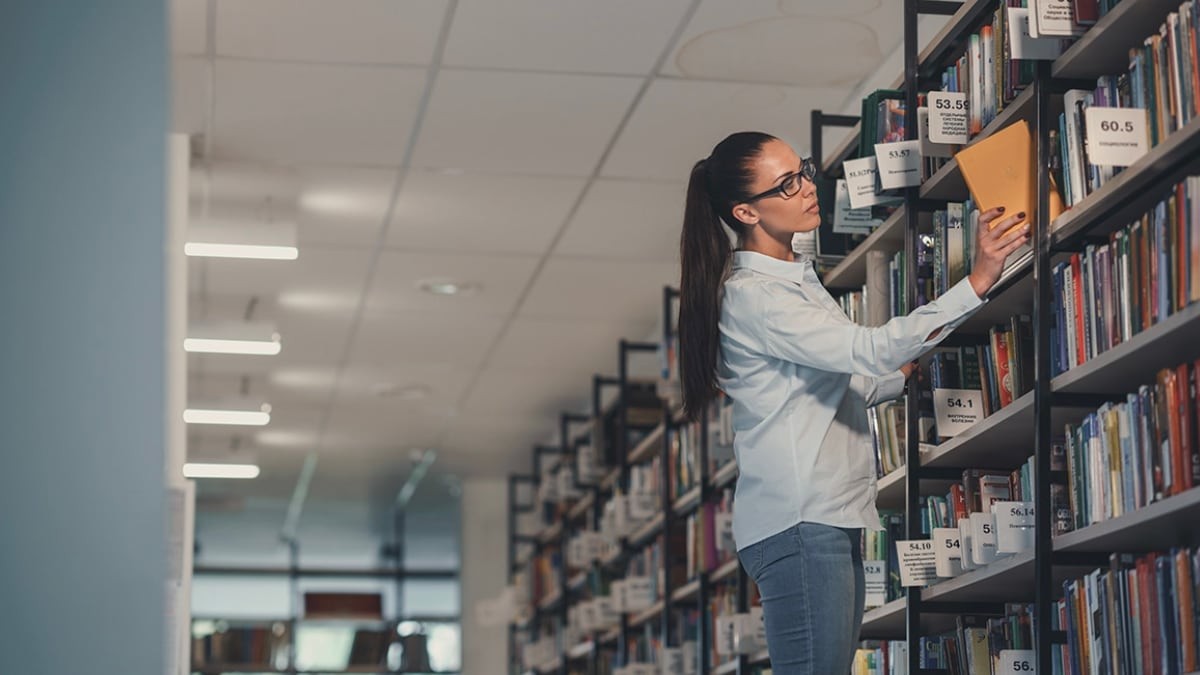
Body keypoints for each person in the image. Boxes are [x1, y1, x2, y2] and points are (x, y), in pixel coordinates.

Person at [676, 131, 1031, 674]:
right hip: (800, 521)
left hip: (821, 518)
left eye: (804, 170)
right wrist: (978, 281)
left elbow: (856, 383)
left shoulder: (796, 280)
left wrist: (907, 363)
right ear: (745, 210)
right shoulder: (757, 297)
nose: (807, 188)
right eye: (787, 183)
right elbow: (867, 351)